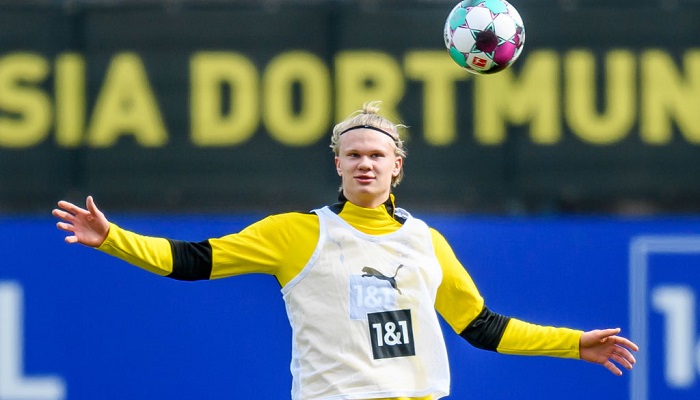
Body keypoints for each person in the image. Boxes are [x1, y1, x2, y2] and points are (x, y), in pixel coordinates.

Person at [53, 102, 638, 400]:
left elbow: (482, 327)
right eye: (353, 154)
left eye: (377, 155)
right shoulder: (297, 233)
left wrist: (573, 343)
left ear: (397, 167)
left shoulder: (426, 241)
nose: (365, 163)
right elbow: (192, 261)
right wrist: (113, 239)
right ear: (336, 163)